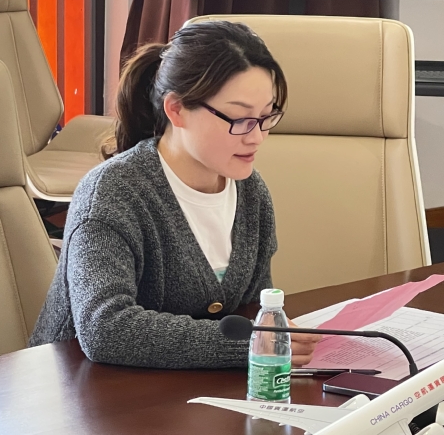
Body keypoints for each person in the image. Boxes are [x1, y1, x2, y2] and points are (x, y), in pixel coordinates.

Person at [30, 21, 321, 369]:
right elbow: (105, 329)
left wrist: (273, 333)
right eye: (239, 118)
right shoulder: (111, 193)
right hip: (79, 392)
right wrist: (252, 343)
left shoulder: (251, 192)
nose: (256, 137)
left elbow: (252, 310)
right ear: (177, 109)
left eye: (266, 116)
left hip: (185, 388)